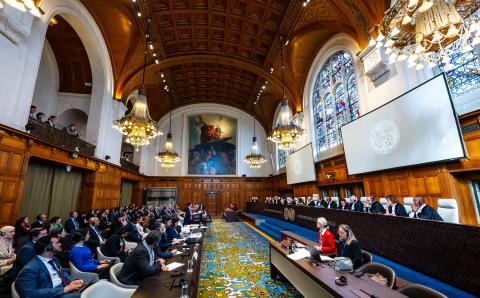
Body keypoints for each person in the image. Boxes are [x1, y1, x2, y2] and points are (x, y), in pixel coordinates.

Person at [15, 235, 84, 298]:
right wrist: (64, 289)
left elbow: (62, 273)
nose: (60, 244)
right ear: (48, 247)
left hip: (63, 290)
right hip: (51, 295)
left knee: (87, 290)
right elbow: (29, 294)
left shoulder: (54, 259)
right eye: (57, 243)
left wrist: (72, 281)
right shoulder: (30, 269)